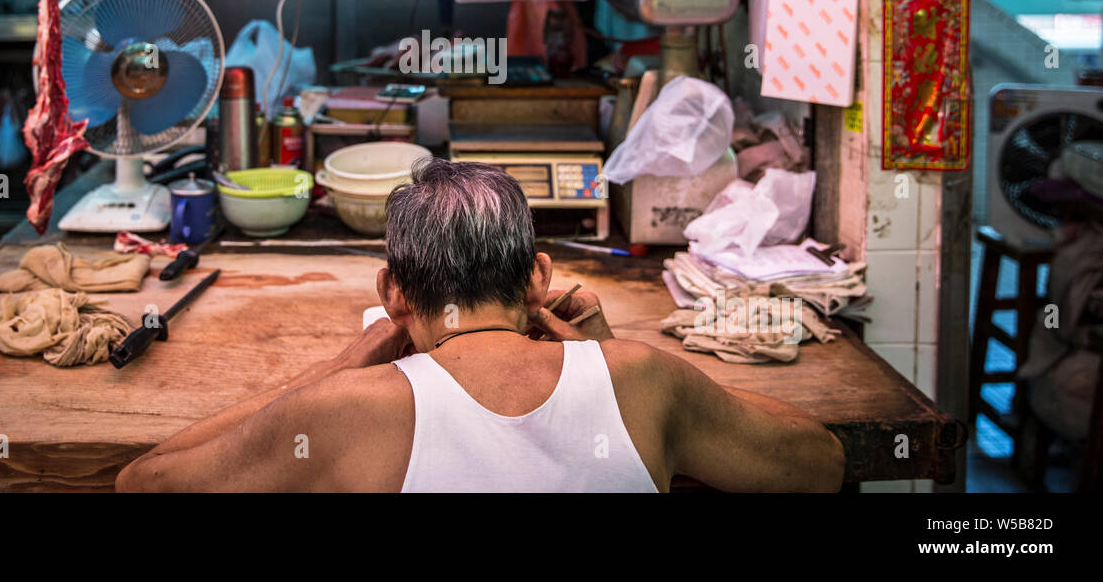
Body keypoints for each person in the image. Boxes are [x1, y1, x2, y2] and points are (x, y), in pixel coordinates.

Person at [116, 158, 845, 492]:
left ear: (393, 295)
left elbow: (140, 484)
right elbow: (821, 461)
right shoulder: (641, 379)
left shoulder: (344, 411)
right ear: (538, 277)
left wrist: (341, 364)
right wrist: (605, 351)